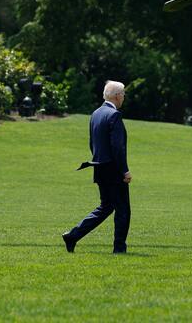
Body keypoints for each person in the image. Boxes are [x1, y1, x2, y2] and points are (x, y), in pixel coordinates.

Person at [62, 80, 132, 254]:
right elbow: (118, 147)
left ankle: (73, 235)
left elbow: (92, 144)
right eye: (123, 94)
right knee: (123, 209)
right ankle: (119, 249)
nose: (123, 97)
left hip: (99, 167)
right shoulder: (114, 115)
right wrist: (125, 170)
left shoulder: (96, 113)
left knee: (106, 207)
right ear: (117, 96)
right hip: (114, 170)